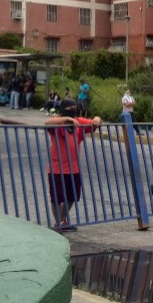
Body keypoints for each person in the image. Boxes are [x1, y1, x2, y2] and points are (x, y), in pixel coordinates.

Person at [45, 98, 101, 232]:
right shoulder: (58, 122)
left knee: (72, 197)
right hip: (57, 168)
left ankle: (61, 221)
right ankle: (58, 223)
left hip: (73, 168)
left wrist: (97, 120)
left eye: (74, 109)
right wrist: (67, 120)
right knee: (57, 198)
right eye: (70, 110)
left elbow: (94, 121)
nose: (73, 112)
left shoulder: (79, 122)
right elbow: (47, 122)